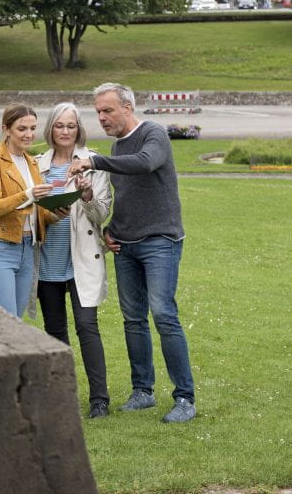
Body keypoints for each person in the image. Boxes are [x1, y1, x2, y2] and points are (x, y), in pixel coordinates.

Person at [69, 82, 196, 423]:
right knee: (133, 320)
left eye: (108, 110)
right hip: (125, 244)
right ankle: (143, 392)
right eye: (98, 112)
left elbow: (145, 163)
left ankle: (185, 398)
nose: (102, 117)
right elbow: (126, 195)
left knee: (163, 314)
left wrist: (94, 161)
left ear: (127, 107)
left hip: (160, 241)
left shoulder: (153, 134)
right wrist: (111, 228)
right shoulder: (117, 145)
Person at [36, 102, 112, 419]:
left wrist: (87, 196)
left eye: (71, 126)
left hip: (81, 260)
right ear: (50, 129)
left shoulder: (93, 164)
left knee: (86, 326)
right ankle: (61, 396)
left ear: (79, 129)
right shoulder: (36, 164)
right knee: (54, 331)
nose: (65, 131)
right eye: (59, 125)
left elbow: (101, 214)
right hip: (48, 261)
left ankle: (99, 400)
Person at [0, 103, 62, 317]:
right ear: (6, 129)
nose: (29, 134)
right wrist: (28, 194)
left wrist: (57, 212)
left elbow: (36, 211)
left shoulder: (31, 162)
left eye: (33, 128)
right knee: (6, 323)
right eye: (22, 129)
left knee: (16, 323)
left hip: (28, 249)